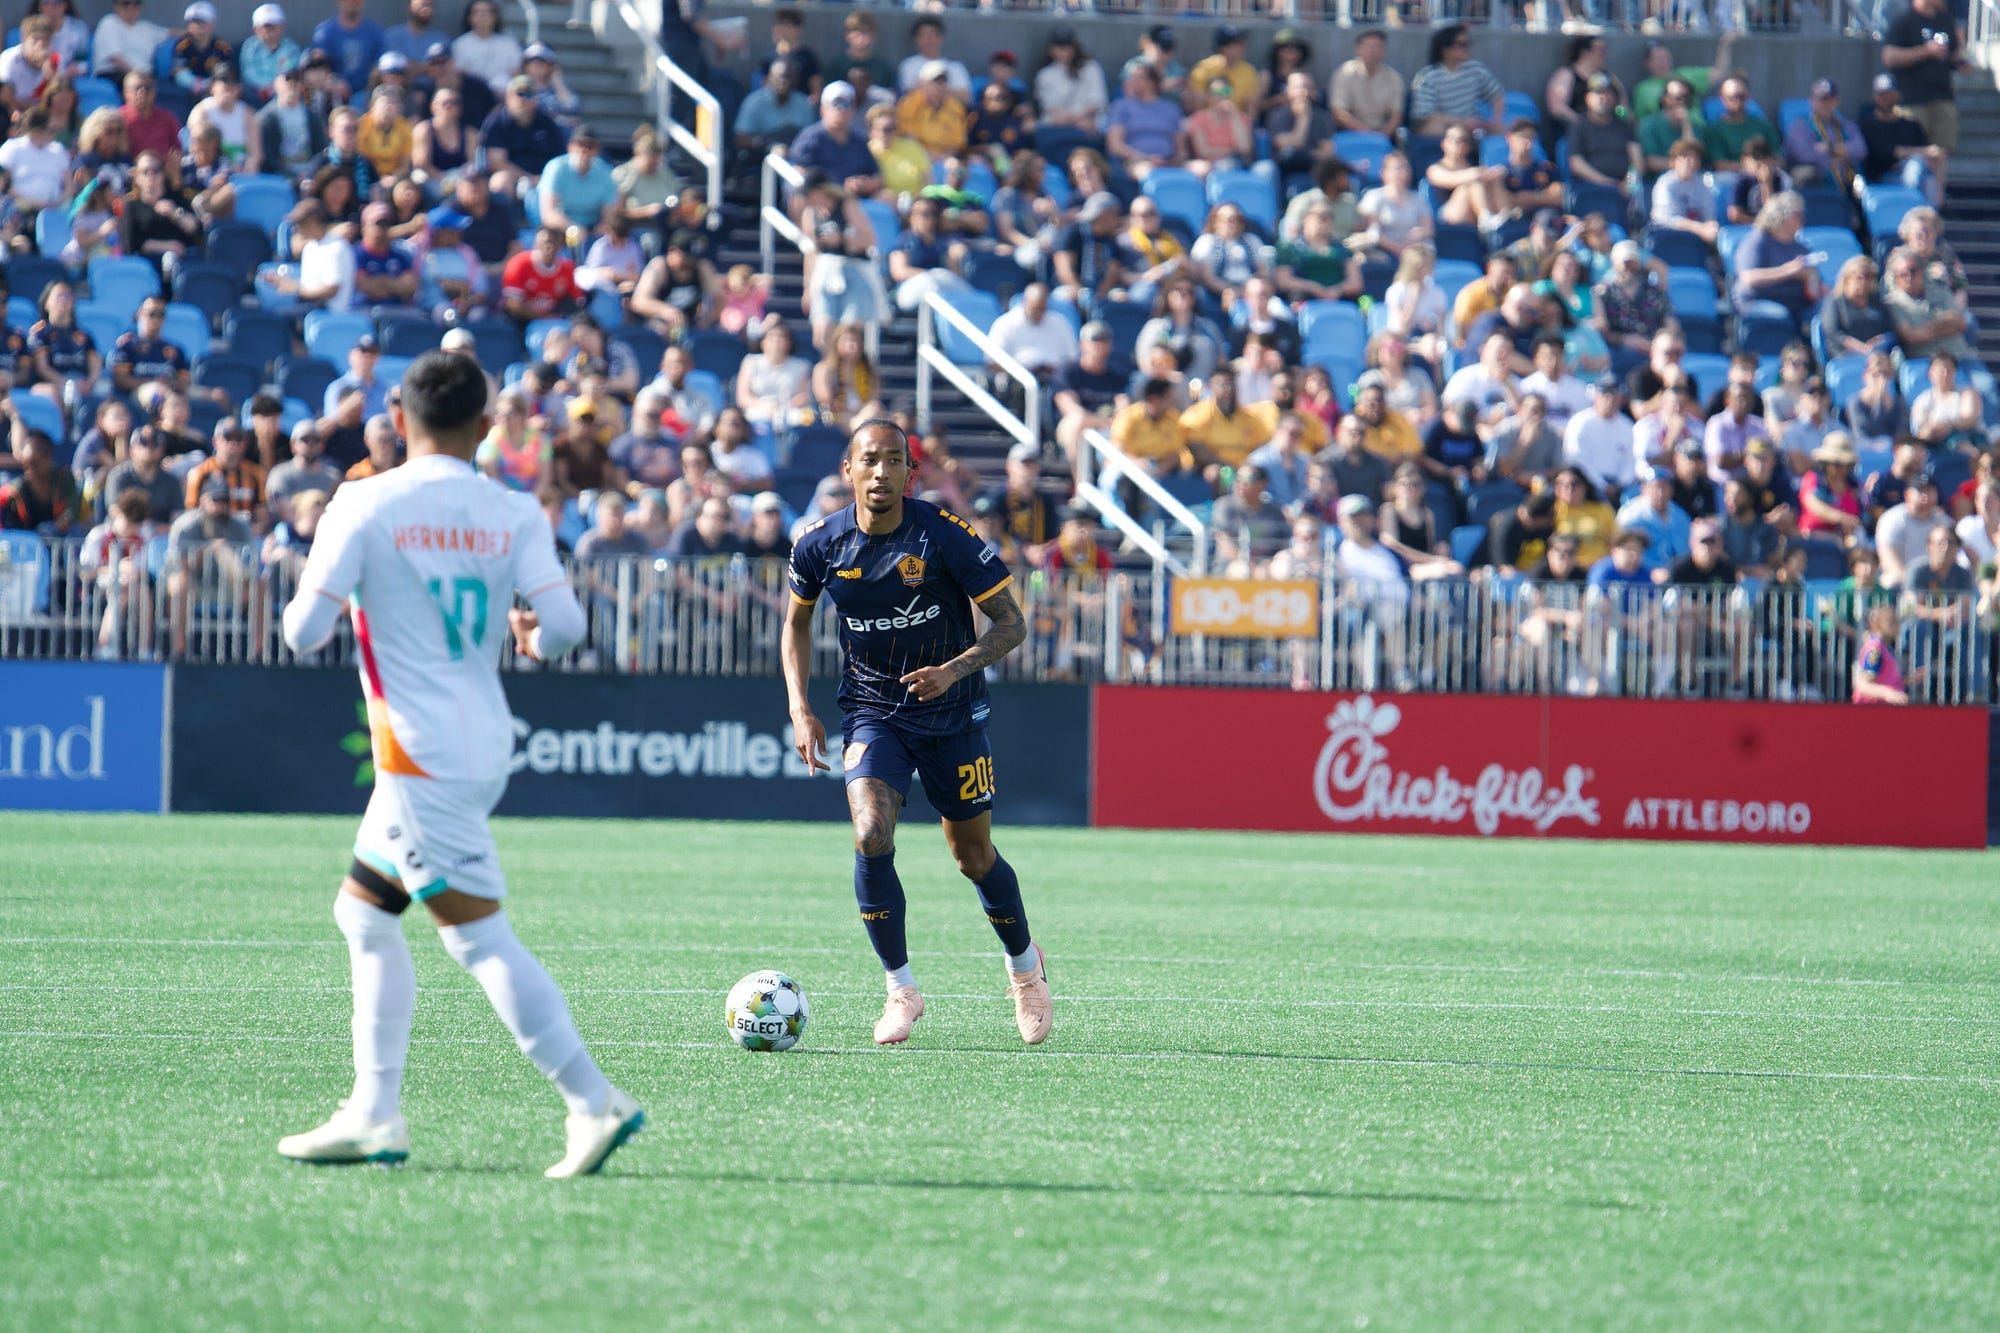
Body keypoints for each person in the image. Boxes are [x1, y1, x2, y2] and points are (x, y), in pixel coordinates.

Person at [275, 350, 641, 1176]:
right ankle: (374, 1110)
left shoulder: (363, 502)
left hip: (416, 754)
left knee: (477, 938)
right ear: (485, 428)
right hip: (481, 739)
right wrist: (532, 638)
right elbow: (566, 629)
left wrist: (336, 558)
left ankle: (594, 1099)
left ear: (398, 421)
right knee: (364, 913)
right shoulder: (512, 510)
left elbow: (303, 632)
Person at [782, 419, 1047, 1048]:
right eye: (868, 460)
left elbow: (1012, 625)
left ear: (910, 473)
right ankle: (901, 989)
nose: (880, 472)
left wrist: (953, 670)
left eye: (893, 461)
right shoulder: (818, 545)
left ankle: (1026, 969)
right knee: (871, 834)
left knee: (972, 857)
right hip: (873, 711)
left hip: (953, 716)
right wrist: (800, 707)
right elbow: (795, 625)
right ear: (848, 470)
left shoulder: (945, 537)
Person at [1882, 0, 1963, 156]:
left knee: (1940, 153)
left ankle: (1938, 182)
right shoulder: (1905, 20)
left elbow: (1953, 53)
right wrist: (1925, 51)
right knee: (1914, 152)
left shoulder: (1945, 20)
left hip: (1942, 97)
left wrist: (1960, 62)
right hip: (1912, 100)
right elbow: (1888, 57)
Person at [1731, 193, 1818, 327]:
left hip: (1797, 303)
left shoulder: (1800, 247)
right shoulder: (1757, 241)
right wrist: (1788, 271)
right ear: (1781, 216)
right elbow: (1748, 278)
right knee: (1779, 315)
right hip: (1759, 300)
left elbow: (1815, 286)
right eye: (1797, 215)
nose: (1802, 219)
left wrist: (1813, 280)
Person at [1860, 73, 1944, 206]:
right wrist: (1921, 152)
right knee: (1915, 165)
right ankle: (1911, 208)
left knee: (1926, 168)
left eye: (1889, 93)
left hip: (1915, 176)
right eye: (1881, 94)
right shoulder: (1868, 124)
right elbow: (1887, 152)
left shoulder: (1911, 125)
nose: (1885, 98)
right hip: (1881, 179)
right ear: (1875, 96)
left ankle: (1934, 211)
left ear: (1897, 94)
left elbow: (1931, 155)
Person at [1409, 24, 1502, 138]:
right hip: (1444, 129)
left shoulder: (1476, 69)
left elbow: (1496, 95)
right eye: (1461, 45)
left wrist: (1496, 120)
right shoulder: (1427, 76)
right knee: (1436, 127)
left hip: (1471, 129)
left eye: (1467, 44)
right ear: (1445, 49)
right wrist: (1460, 122)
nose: (1466, 48)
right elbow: (1425, 114)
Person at [1105, 63, 1181, 181]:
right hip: (1136, 162)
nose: (1133, 81)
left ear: (1152, 82)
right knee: (1150, 174)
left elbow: (1181, 148)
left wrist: (1171, 162)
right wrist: (1146, 158)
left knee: (1202, 169)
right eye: (1131, 77)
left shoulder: (1171, 109)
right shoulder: (1121, 107)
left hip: (1169, 163)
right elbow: (1115, 145)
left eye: (1138, 77)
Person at [1330, 27, 1401, 137]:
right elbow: (1339, 111)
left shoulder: (1393, 77)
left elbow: (1397, 114)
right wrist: (1367, 133)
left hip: (1383, 134)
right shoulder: (1345, 73)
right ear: (1358, 50)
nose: (1373, 51)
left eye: (1378, 47)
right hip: (1350, 133)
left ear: (1384, 51)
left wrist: (1383, 136)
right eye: (1368, 46)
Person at [1851, 602, 1908, 704]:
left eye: (1897, 621)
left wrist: (1909, 678)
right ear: (1877, 623)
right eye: (1891, 621)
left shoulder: (1885, 647)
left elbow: (1884, 679)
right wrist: (1887, 693)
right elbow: (1863, 685)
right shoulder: (1875, 649)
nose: (1897, 625)